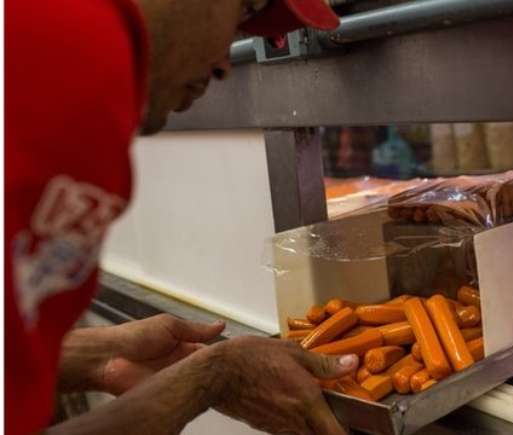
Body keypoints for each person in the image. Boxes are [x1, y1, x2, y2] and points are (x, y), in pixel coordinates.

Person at [6, 1, 356, 434]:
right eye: (240, 15)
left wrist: (101, 355)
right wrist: (210, 380)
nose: (225, 67)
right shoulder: (71, 64)